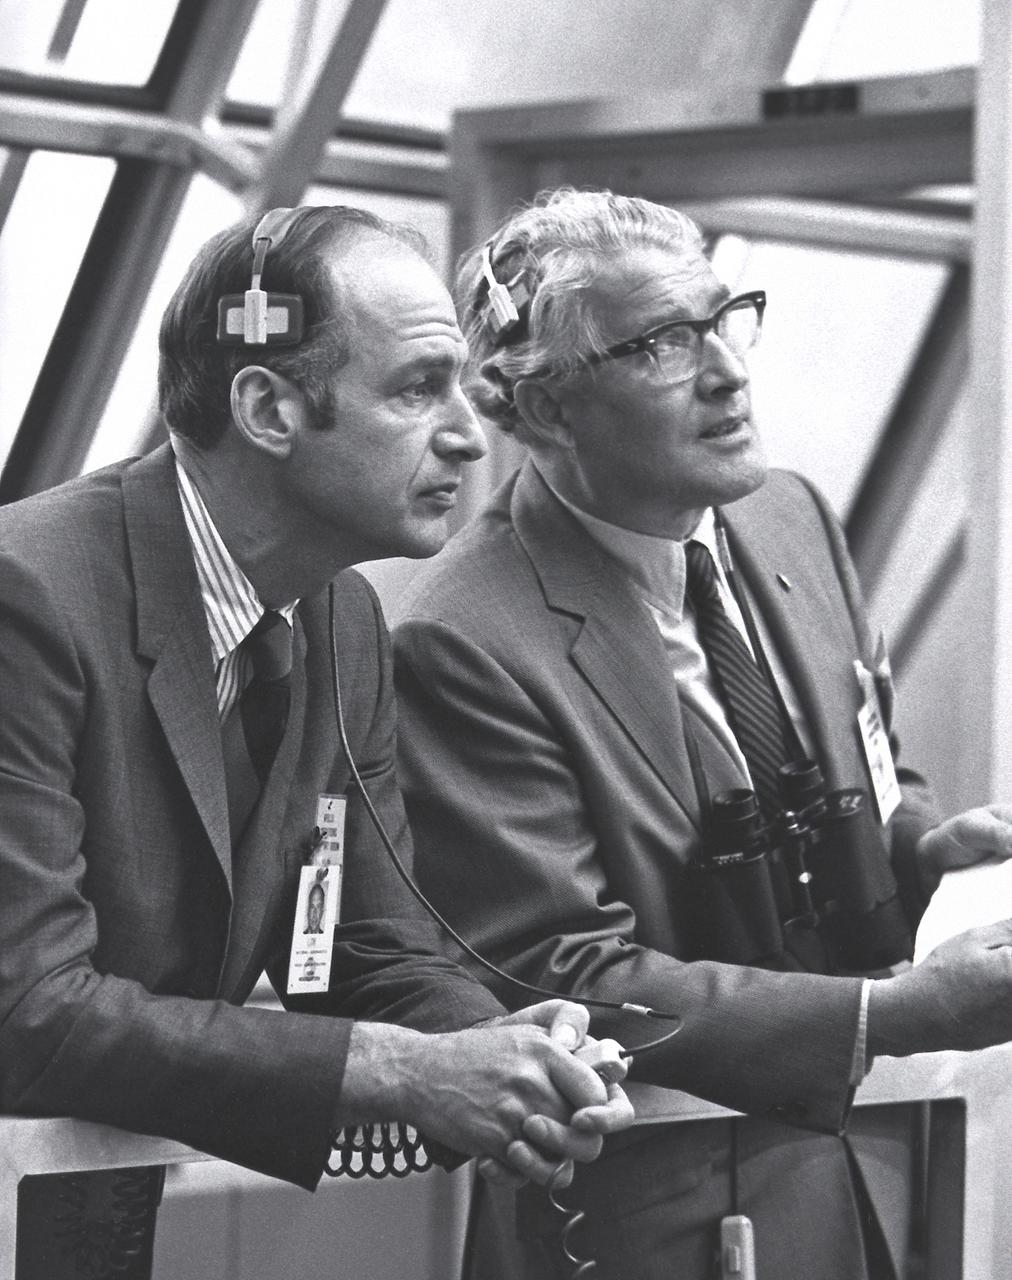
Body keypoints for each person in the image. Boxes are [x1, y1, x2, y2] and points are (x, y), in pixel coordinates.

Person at [0, 204, 634, 1279]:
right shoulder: (29, 598)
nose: (469, 434)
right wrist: (401, 1069)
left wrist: (508, 1055)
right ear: (267, 408)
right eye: (418, 388)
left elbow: (366, 947)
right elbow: (27, 1009)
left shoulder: (342, 620)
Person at [390, 187, 1012, 1280]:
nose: (727, 371)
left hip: (879, 1173)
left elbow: (867, 765)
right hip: (659, 1215)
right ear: (545, 408)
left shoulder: (791, 516)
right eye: (662, 344)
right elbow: (558, 971)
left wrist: (919, 844)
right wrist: (886, 1016)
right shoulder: (462, 639)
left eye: (726, 320)